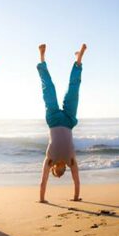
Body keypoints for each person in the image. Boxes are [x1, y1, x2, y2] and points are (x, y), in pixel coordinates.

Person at [37, 43, 86, 203]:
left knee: (48, 90)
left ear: (53, 169)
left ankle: (42, 58)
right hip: (68, 121)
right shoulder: (71, 160)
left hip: (53, 120)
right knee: (74, 91)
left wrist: (42, 199)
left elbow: (43, 181)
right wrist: (76, 197)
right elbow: (77, 181)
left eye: (58, 172)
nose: (61, 170)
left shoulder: (49, 159)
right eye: (62, 171)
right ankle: (78, 60)